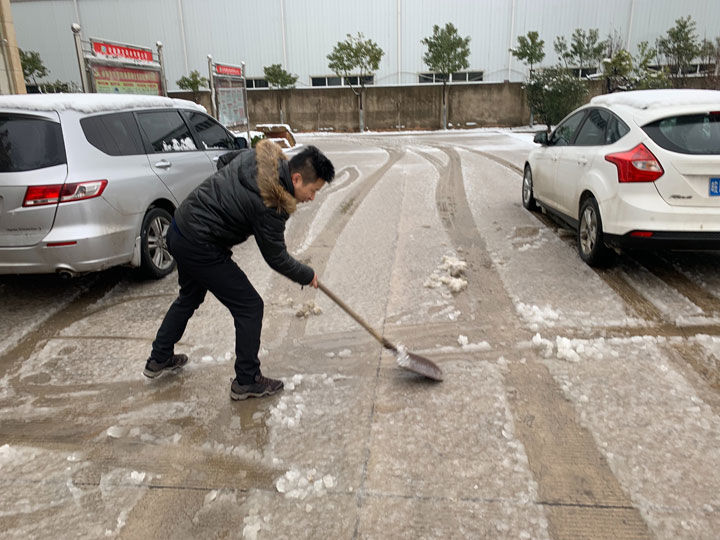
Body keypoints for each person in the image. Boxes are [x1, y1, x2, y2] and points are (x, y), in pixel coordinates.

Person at [143, 140, 335, 400]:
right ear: (297, 178)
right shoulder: (272, 204)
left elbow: (225, 161)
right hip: (200, 243)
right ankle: (247, 380)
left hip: (181, 226)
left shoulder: (258, 158)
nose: (312, 198)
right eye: (313, 191)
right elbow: (276, 257)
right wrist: (307, 274)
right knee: (250, 306)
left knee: (189, 296)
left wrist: (224, 200)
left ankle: (160, 357)